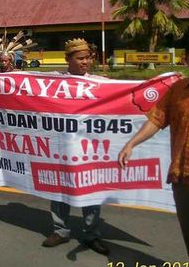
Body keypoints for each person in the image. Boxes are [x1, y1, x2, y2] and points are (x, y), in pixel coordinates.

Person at [118, 33, 189, 266]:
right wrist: (131, 144)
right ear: (186, 60)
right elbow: (157, 119)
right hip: (181, 178)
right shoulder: (177, 90)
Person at [41, 38, 110, 255]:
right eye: (80, 58)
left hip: (88, 147)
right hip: (60, 145)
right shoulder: (53, 81)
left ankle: (92, 235)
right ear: (67, 59)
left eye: (88, 58)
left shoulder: (100, 82)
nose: (85, 62)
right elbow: (20, 84)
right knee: (59, 189)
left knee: (90, 189)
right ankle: (60, 231)